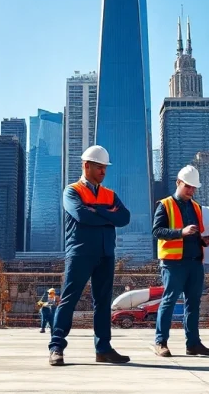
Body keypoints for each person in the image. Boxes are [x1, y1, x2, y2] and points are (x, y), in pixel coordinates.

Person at [48, 145, 132, 367]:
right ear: (86, 166)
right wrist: (108, 215)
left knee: (103, 303)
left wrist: (98, 211)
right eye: (99, 167)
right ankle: (56, 347)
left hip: (106, 253)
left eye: (105, 168)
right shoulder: (72, 191)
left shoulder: (109, 194)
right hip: (80, 252)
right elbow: (82, 215)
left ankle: (103, 349)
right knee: (69, 299)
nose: (103, 172)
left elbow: (124, 218)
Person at [150, 165, 209, 357]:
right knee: (169, 301)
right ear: (178, 183)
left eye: (194, 188)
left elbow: (198, 233)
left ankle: (193, 344)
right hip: (173, 263)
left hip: (195, 261)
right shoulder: (165, 205)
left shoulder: (197, 207)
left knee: (193, 303)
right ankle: (160, 342)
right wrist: (181, 232)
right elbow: (156, 231)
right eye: (188, 186)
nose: (191, 191)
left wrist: (204, 240)